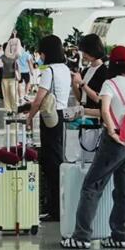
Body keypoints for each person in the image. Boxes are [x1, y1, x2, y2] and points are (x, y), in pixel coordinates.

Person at [60, 47, 125, 249]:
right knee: (123, 190)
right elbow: (115, 111)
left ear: (112, 63)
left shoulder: (110, 83)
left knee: (92, 186)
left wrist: (112, 132)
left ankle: (81, 237)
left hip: (114, 143)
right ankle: (121, 235)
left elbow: (104, 109)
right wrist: (84, 111)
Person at [26, 35, 72, 221]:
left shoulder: (49, 71)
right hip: (61, 115)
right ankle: (60, 205)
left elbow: (39, 99)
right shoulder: (65, 69)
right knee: (58, 159)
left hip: (50, 117)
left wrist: (30, 116)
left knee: (51, 162)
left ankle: (55, 209)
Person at [72, 33, 108, 119]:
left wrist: (81, 83)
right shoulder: (86, 71)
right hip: (83, 115)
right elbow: (80, 98)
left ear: (93, 51)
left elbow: (99, 99)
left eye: (85, 52)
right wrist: (73, 83)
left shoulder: (104, 72)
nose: (83, 55)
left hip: (95, 118)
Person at [0, 42, 19, 114]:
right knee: (6, 94)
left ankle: (15, 108)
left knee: (13, 93)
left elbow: (17, 67)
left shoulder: (14, 56)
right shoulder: (2, 57)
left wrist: (18, 75)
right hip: (4, 78)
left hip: (13, 78)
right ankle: (9, 110)